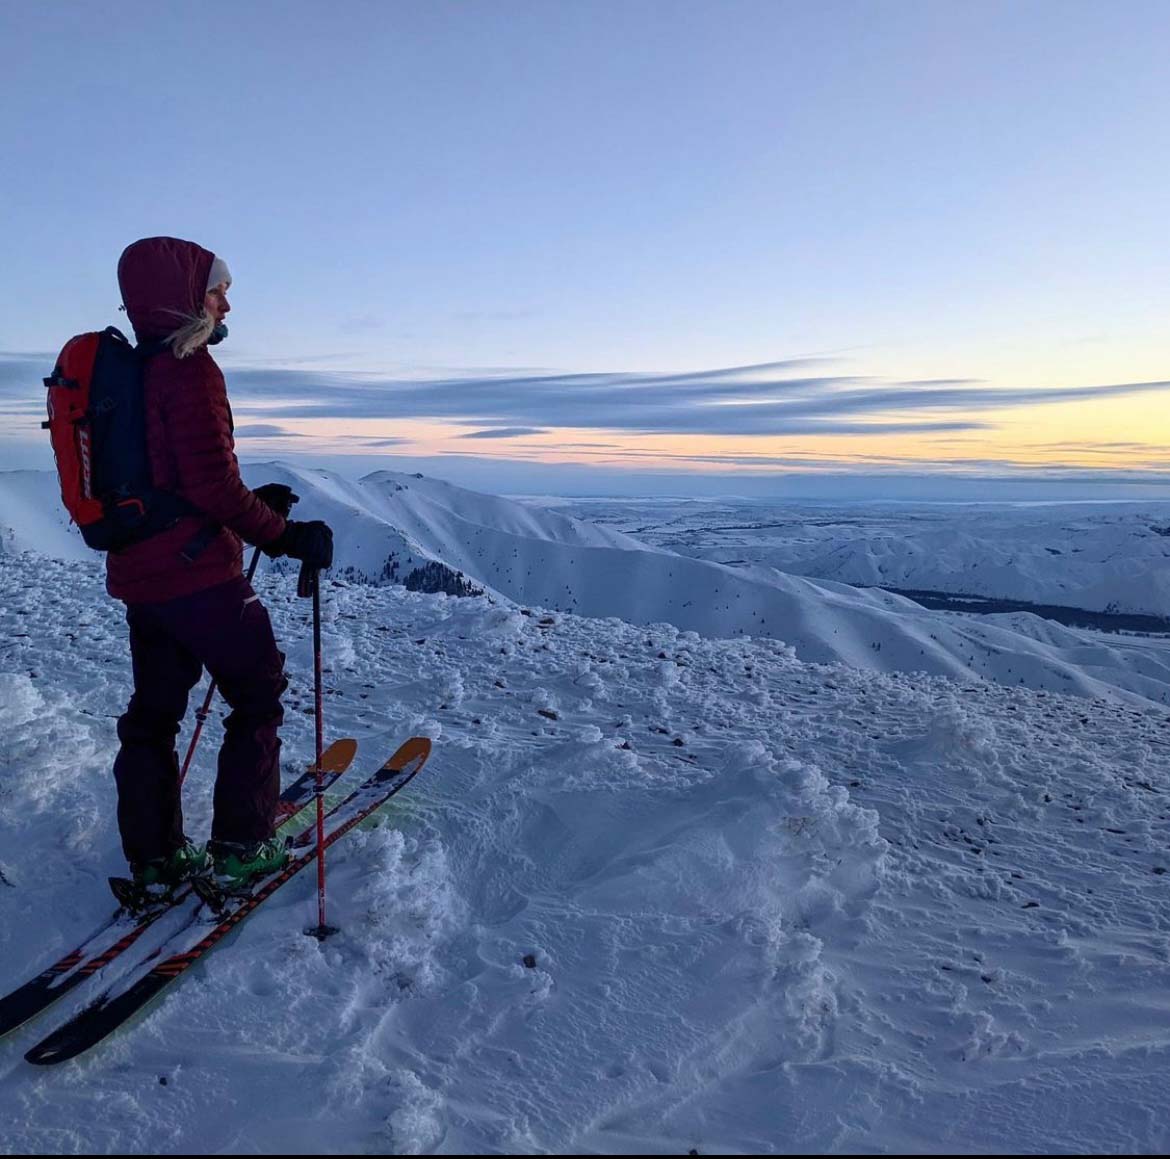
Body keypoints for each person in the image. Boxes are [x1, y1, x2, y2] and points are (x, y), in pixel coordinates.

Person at [110, 236, 333, 894]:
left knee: (152, 716)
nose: (226, 299)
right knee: (258, 691)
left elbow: (172, 481)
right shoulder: (191, 369)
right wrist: (285, 534)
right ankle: (241, 846)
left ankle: (155, 858)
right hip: (198, 577)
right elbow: (210, 486)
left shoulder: (133, 371)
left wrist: (249, 506)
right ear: (185, 297)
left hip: (141, 575)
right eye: (216, 288)